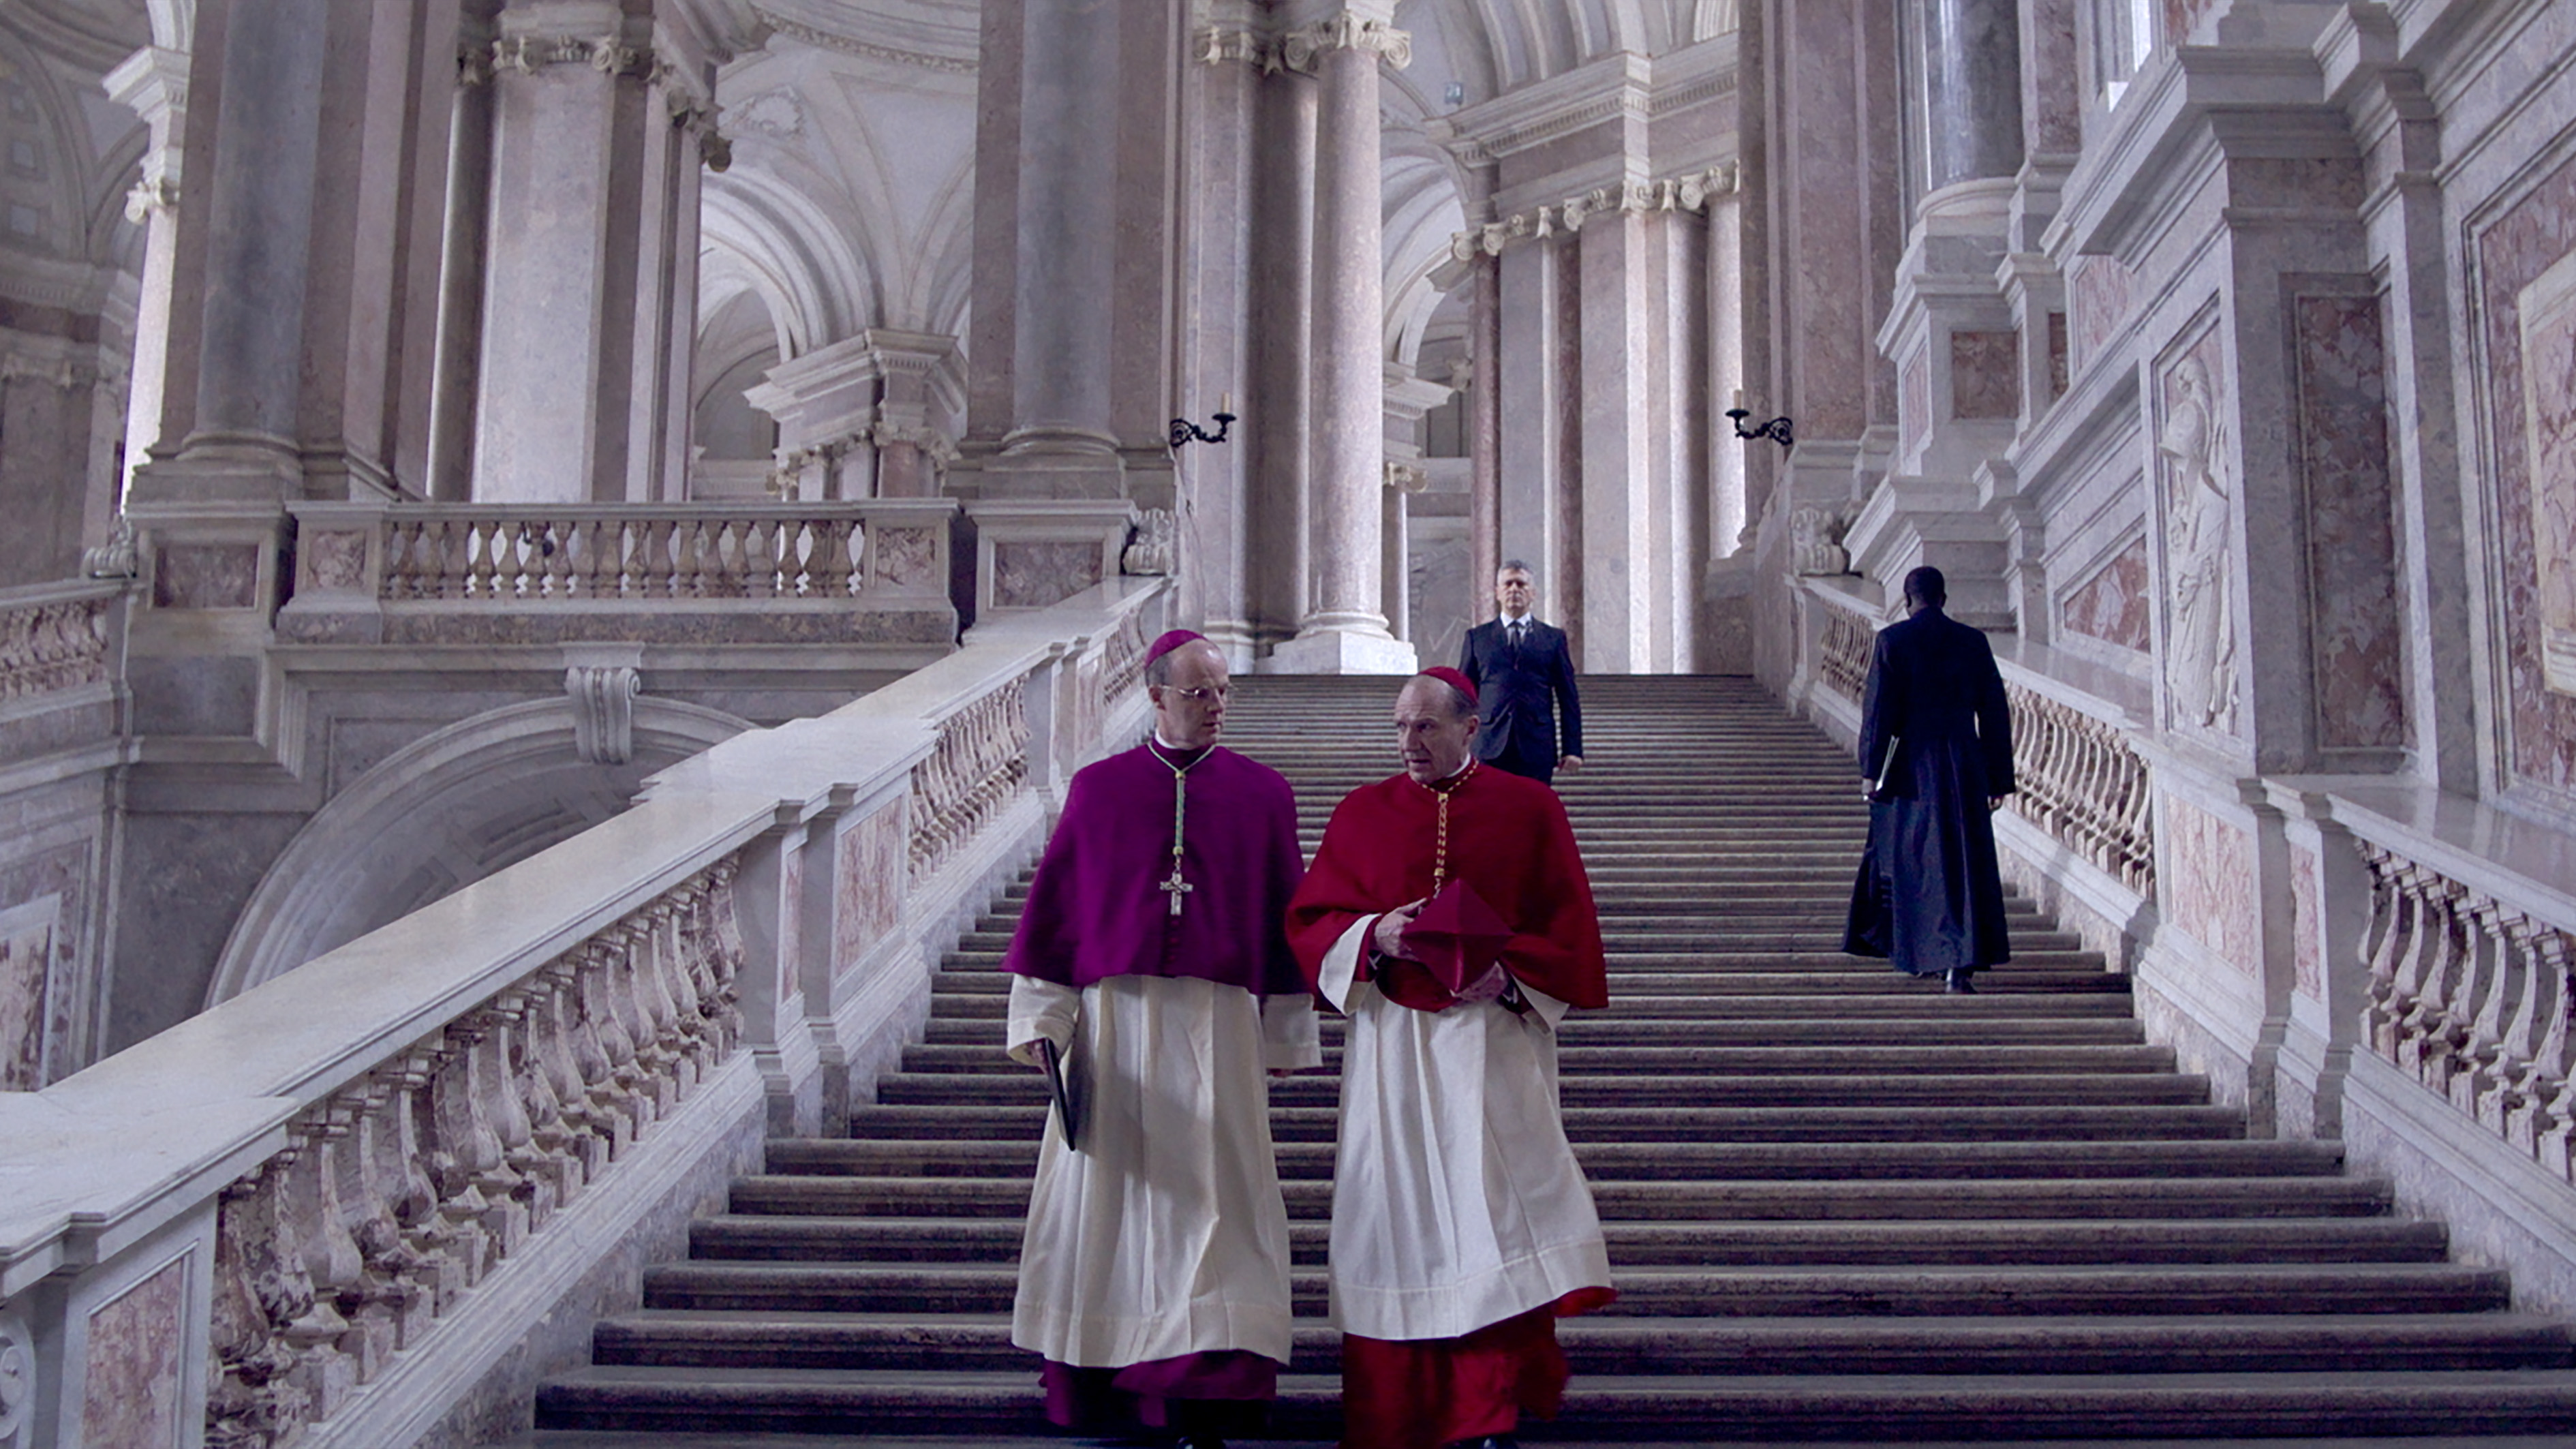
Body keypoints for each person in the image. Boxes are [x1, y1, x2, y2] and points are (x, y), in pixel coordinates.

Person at [1002, 629, 1320, 1449]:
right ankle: (1113, 1381)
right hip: (1118, 1028)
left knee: (1221, 1207)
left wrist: (1287, 1032)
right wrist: (1043, 1020)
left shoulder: (1263, 793)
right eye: (1198, 693)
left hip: (1220, 1027)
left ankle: (1207, 1390)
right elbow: (1060, 916)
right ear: (1155, 694)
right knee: (1114, 1207)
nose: (1216, 706)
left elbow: (1287, 919)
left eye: (1222, 691)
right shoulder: (1099, 791)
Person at [1286, 667, 1616, 1449]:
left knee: (1495, 1214)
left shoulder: (1530, 806)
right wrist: (1375, 934)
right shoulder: (1361, 811)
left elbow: (1570, 924)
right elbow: (1310, 917)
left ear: (1472, 727)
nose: (1410, 743)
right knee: (1392, 1216)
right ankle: (1394, 1408)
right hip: (1392, 1047)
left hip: (1494, 1040)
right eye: (1400, 726)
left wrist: (1514, 972)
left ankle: (1490, 1404)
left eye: (1427, 727)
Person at [1842, 566, 2017, 994]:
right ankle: (1961, 964)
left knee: (1917, 862)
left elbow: (1880, 711)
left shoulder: (1893, 641)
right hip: (1964, 761)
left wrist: (1871, 770)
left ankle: (1928, 954)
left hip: (1911, 766)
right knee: (1964, 860)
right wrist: (1998, 777)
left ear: (1907, 600)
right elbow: (1994, 712)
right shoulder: (1973, 642)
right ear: (1944, 597)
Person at [1456, 560, 1584, 785]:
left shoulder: (1553, 638)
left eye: (1521, 584)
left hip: (1537, 745)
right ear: (1497, 592)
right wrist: (1457, 744)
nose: (1514, 589)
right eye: (1508, 584)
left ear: (1532, 593)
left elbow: (1568, 697)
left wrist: (1572, 749)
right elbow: (1463, 697)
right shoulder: (1477, 638)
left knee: (1532, 814)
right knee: (1491, 815)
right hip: (1489, 744)